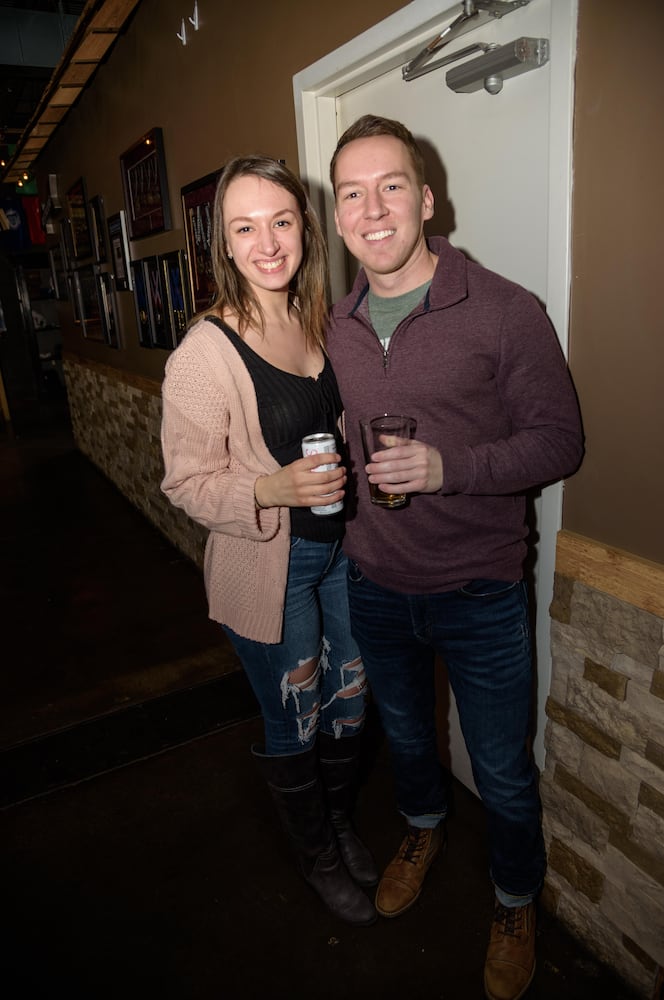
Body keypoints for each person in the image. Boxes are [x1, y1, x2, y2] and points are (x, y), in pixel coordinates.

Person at [326, 115, 584, 998]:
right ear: (337, 217)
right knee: (405, 740)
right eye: (351, 193)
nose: (372, 208)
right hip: (375, 582)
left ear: (427, 199)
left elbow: (559, 443)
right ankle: (423, 826)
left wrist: (451, 468)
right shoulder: (337, 326)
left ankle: (515, 900)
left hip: (479, 591)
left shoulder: (507, 311)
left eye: (390, 185)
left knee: (505, 770)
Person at [160, 155, 377, 926]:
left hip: (343, 557)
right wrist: (268, 488)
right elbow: (185, 483)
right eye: (244, 227)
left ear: (304, 228)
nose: (267, 242)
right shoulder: (204, 353)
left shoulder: (320, 321)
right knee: (298, 716)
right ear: (222, 244)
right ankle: (317, 855)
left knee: (351, 702)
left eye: (281, 220)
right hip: (271, 569)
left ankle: (340, 818)